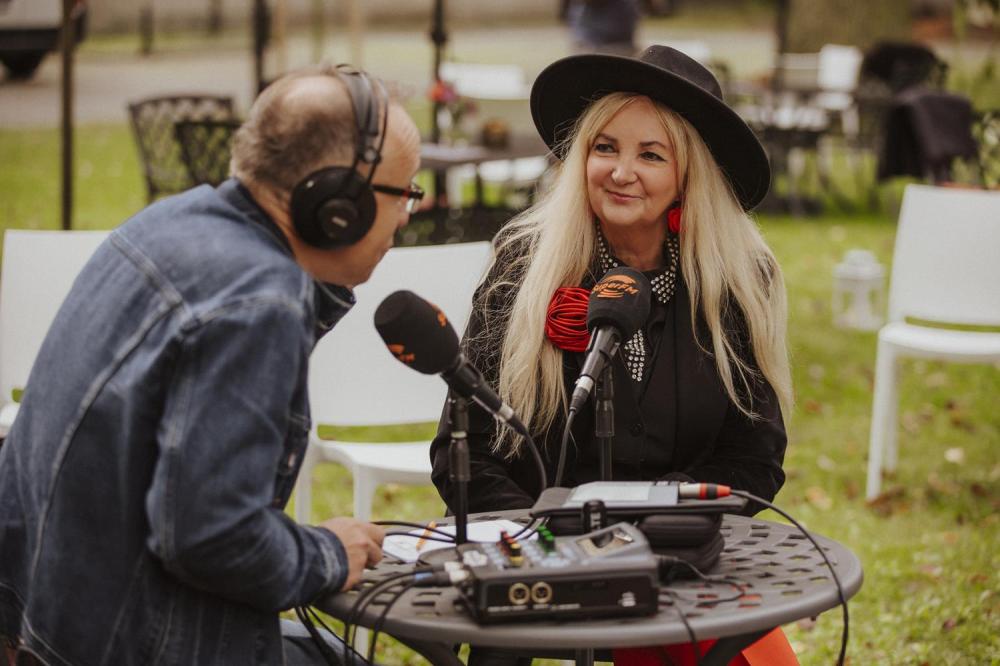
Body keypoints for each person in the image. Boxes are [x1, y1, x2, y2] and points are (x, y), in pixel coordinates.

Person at [0, 64, 423, 665]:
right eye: (403, 193)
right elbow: (211, 537)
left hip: (51, 626)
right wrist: (328, 552)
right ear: (339, 206)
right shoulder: (258, 302)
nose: (407, 214)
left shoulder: (169, 225)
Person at [430, 46, 794, 665]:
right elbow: (464, 449)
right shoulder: (524, 266)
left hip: (675, 560)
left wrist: (666, 519)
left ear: (690, 175)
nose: (622, 172)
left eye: (651, 154)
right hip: (534, 555)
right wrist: (545, 539)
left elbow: (754, 456)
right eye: (605, 148)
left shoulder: (737, 280)